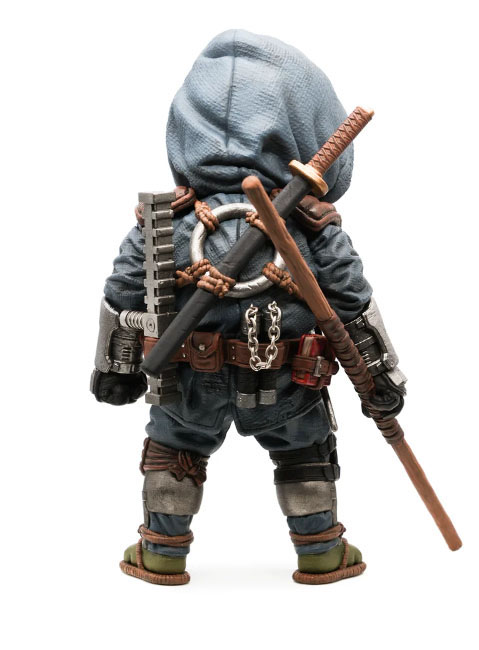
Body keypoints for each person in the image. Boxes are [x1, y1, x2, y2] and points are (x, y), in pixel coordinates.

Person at [91, 30, 406, 585]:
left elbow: (122, 294)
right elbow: (351, 298)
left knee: (174, 451)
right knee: (305, 453)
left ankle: (162, 550)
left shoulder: (165, 220)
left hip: (190, 381)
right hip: (290, 379)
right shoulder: (312, 225)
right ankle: (321, 551)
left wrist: (114, 368)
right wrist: (381, 374)